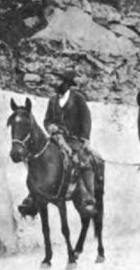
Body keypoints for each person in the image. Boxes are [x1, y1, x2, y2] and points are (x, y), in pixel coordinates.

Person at [17, 69, 95, 217]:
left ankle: (86, 196)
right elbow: (47, 120)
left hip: (73, 140)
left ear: (67, 83)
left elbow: (86, 119)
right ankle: (33, 195)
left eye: (59, 80)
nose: (55, 82)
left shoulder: (78, 98)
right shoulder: (52, 100)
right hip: (56, 138)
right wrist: (50, 127)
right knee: (39, 159)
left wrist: (84, 138)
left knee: (80, 161)